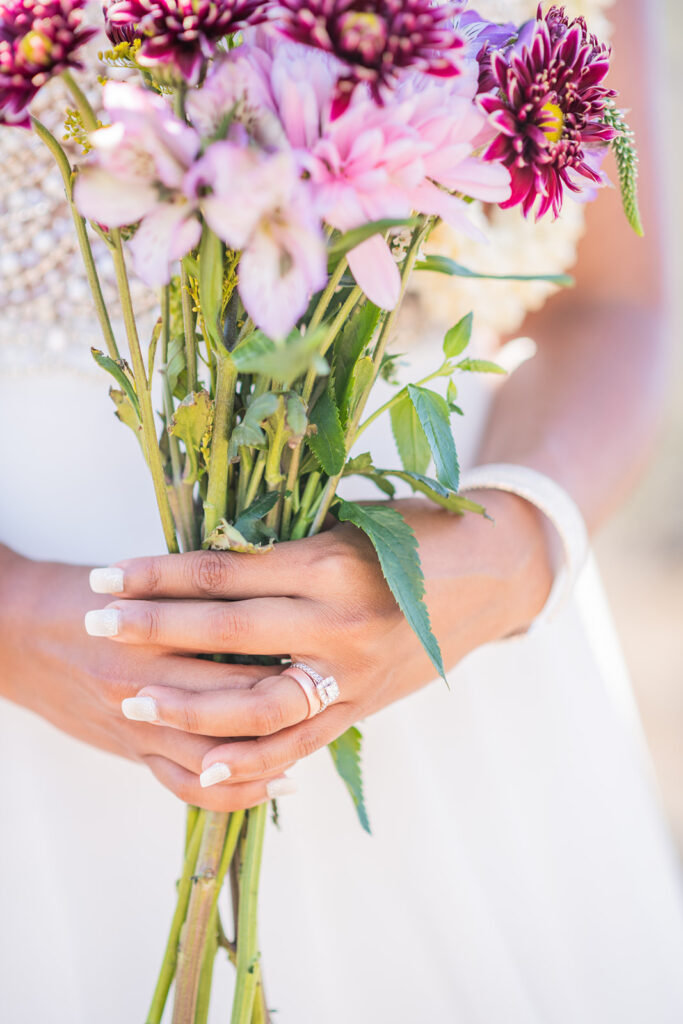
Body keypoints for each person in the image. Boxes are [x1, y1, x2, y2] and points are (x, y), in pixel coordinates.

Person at [1, 0, 682, 1021]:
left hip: (446, 651)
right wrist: (9, 621)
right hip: (38, 692)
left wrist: (512, 552)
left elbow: (612, 300)